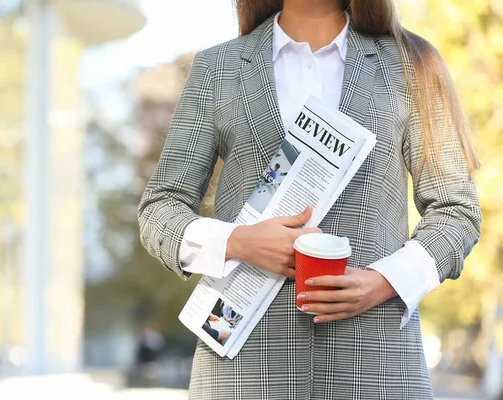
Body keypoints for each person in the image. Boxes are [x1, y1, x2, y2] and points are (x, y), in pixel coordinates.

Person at [138, 0, 481, 398]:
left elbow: (457, 211)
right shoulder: (218, 69)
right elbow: (160, 208)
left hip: (376, 363)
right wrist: (239, 242)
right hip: (243, 365)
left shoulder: (411, 65)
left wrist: (385, 281)